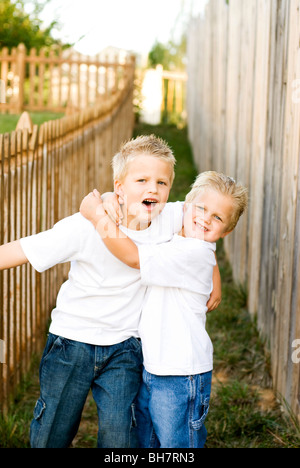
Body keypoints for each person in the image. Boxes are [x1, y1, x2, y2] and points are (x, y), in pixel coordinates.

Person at [0, 135, 221, 448]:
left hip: (126, 347)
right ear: (119, 186)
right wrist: (101, 208)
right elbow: (26, 248)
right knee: (53, 429)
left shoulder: (170, 218)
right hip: (72, 342)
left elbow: (202, 227)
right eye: (141, 180)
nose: (152, 189)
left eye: (161, 182)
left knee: (121, 435)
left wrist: (214, 272)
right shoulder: (86, 225)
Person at [79, 171, 248, 448]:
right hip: (154, 365)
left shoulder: (194, 253)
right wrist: (111, 197)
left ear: (226, 231)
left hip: (181, 373)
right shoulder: (177, 235)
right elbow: (144, 204)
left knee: (177, 444)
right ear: (185, 206)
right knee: (149, 440)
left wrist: (98, 217)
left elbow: (134, 258)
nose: (205, 218)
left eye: (217, 218)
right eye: (202, 208)